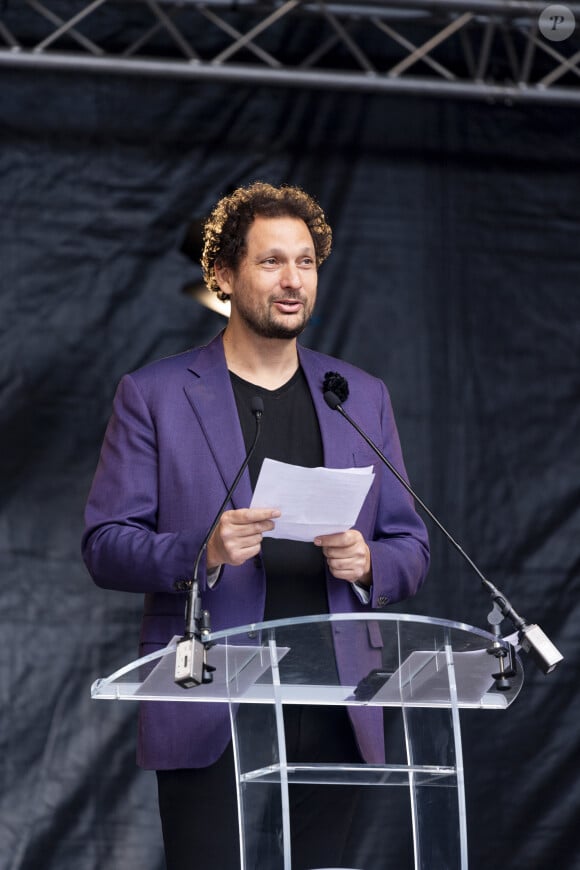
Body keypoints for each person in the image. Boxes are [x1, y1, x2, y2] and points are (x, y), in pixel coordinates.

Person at [82, 182, 430, 869]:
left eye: (306, 262)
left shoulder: (357, 395)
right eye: (271, 262)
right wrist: (200, 551)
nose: (293, 279)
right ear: (222, 275)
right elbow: (104, 545)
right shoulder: (155, 394)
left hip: (336, 688)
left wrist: (369, 563)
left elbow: (411, 544)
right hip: (212, 685)